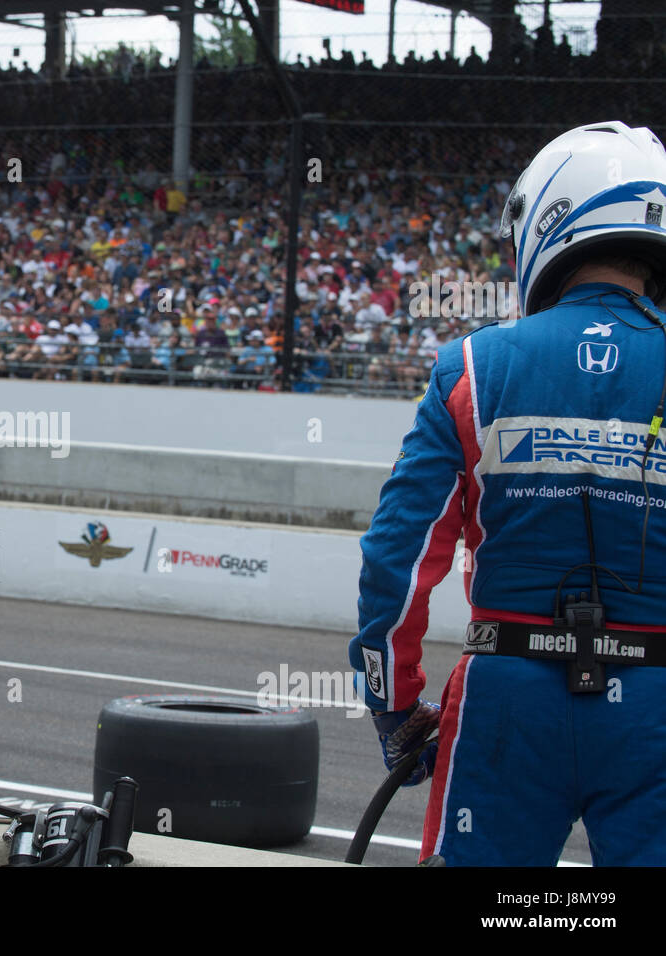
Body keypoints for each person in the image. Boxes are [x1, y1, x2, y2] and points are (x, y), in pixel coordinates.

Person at [351, 121, 666, 866]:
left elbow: (394, 560)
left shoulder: (473, 363)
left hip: (507, 697)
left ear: (551, 221)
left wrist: (393, 709)